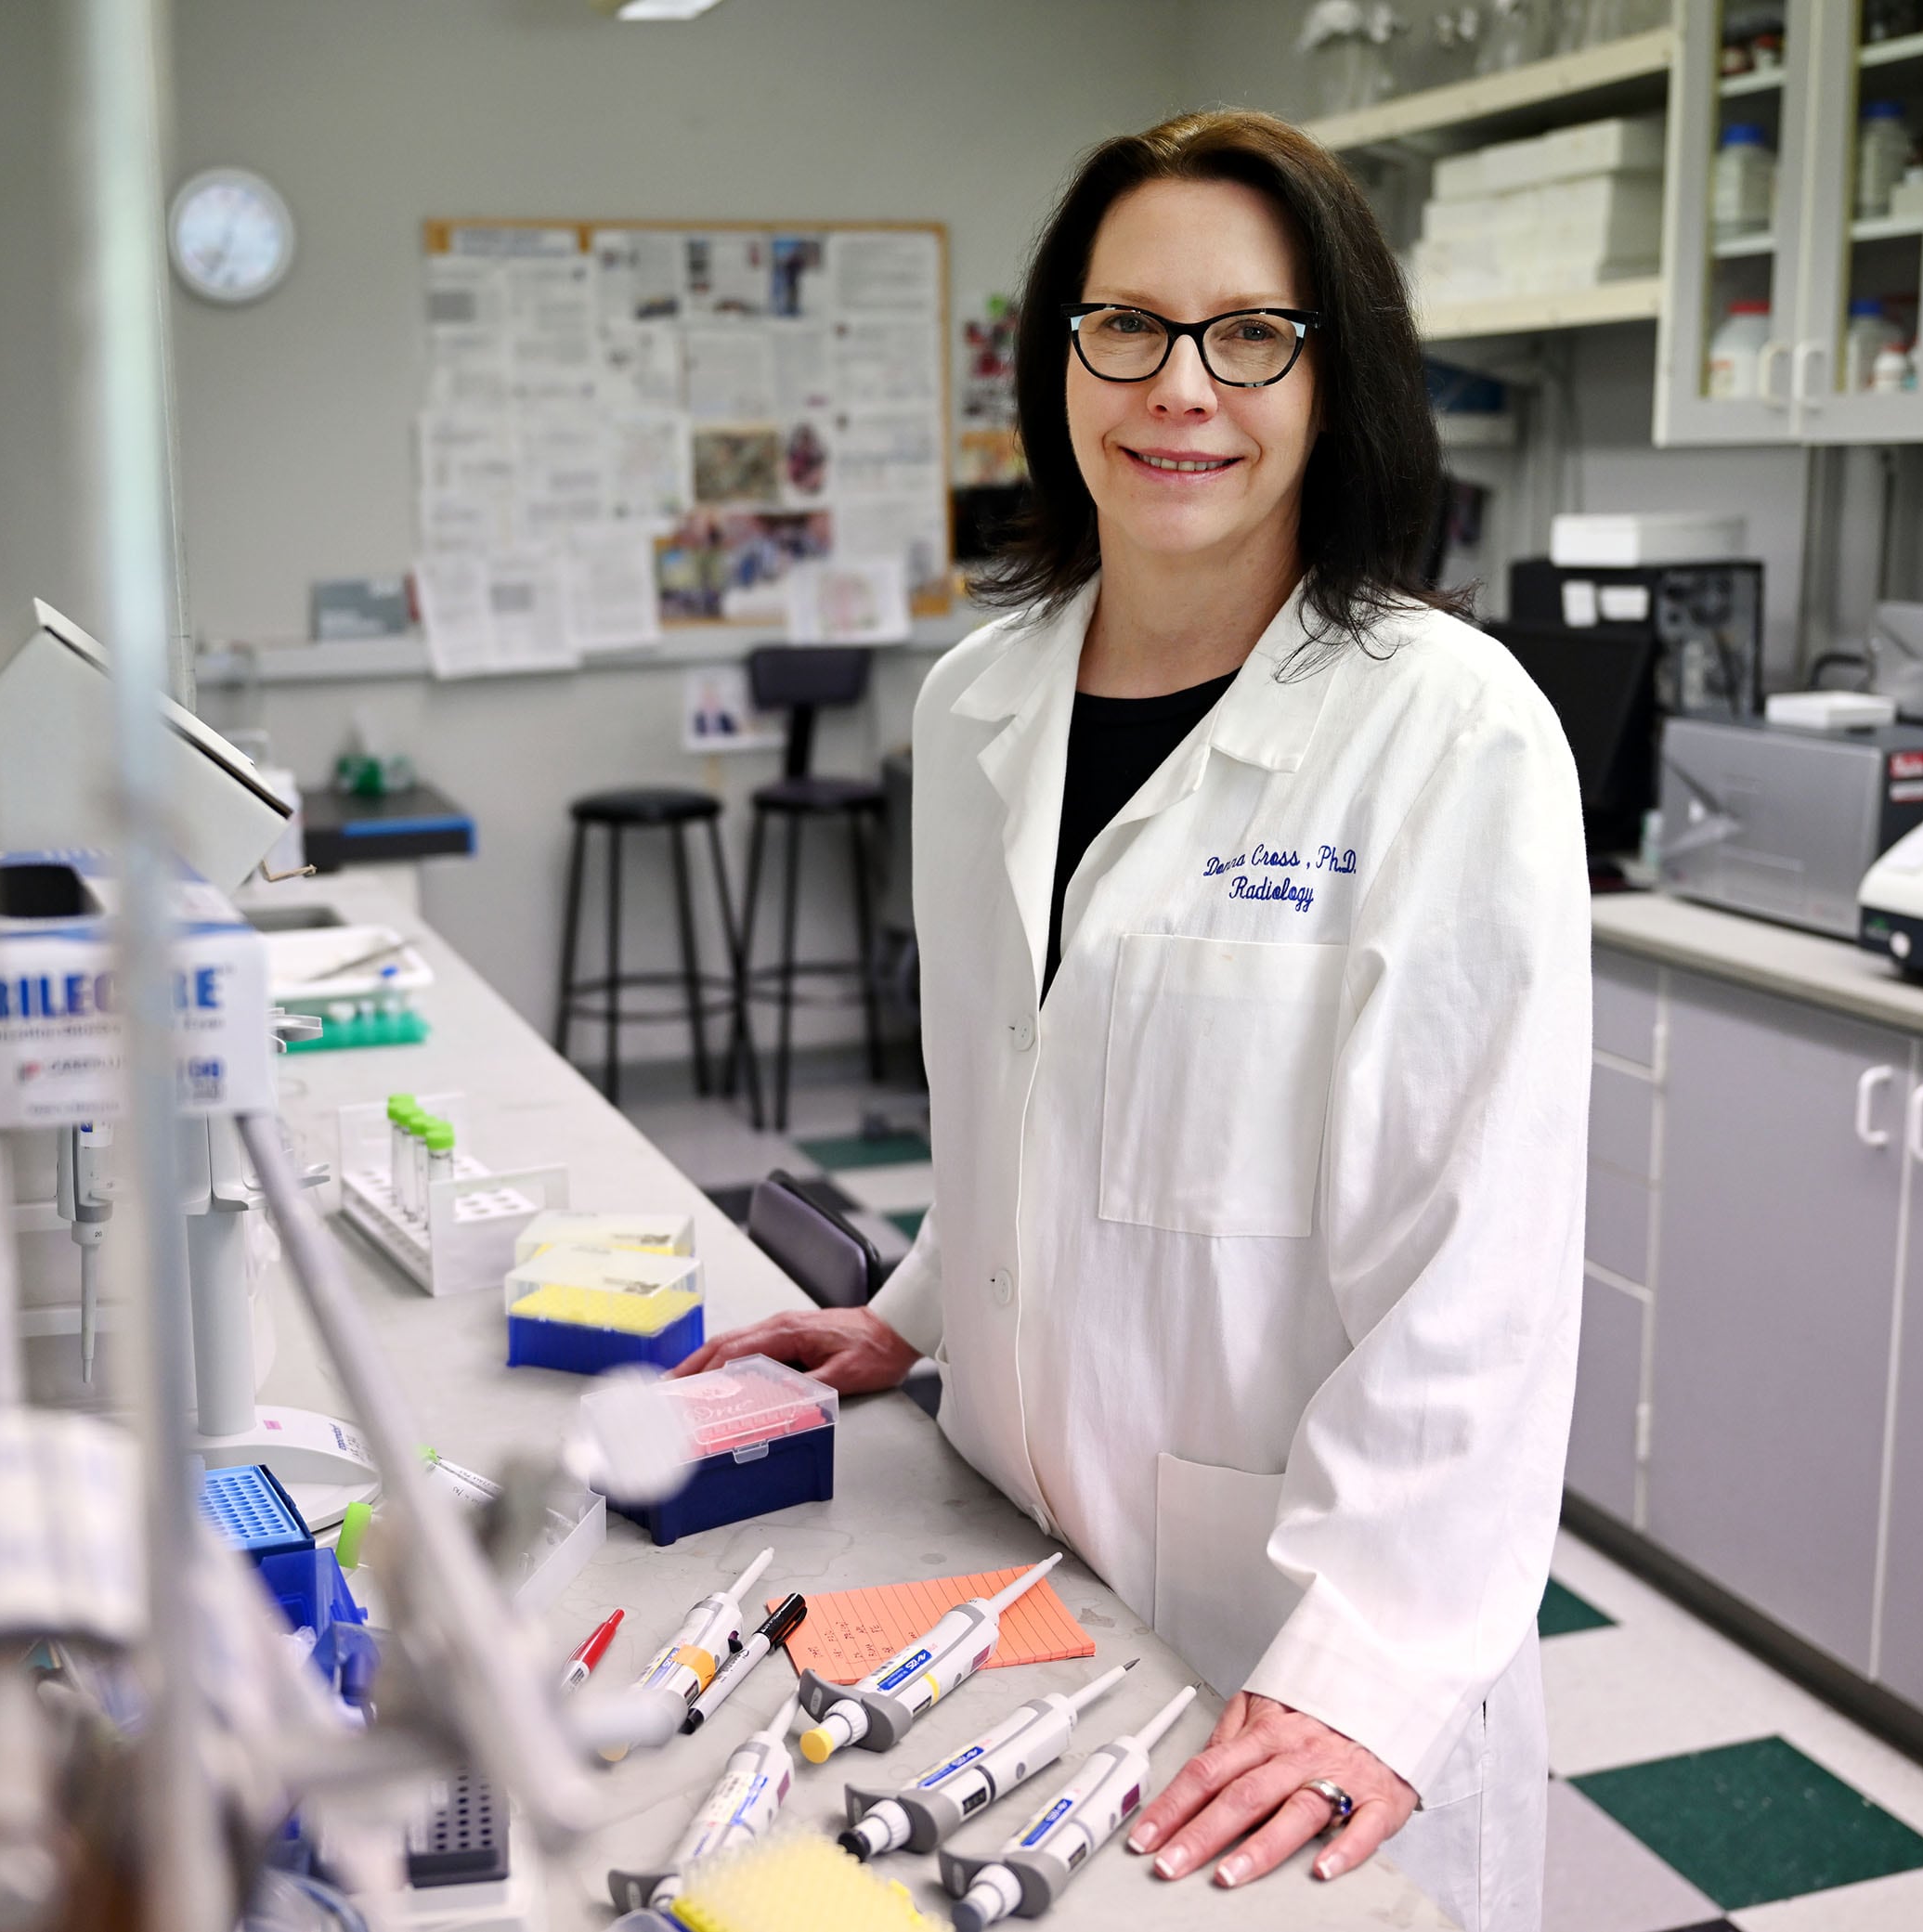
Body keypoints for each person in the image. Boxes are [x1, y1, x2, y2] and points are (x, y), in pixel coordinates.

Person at [673, 110, 1588, 1931]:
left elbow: (1477, 1277)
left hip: (1298, 1642)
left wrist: (1372, 1664)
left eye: (1251, 332)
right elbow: (1025, 1096)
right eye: (1129, 326)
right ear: (1060, 355)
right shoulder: (978, 700)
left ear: (1336, 381)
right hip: (1010, 1554)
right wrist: (911, 1311)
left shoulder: (1449, 731)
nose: (1182, 387)